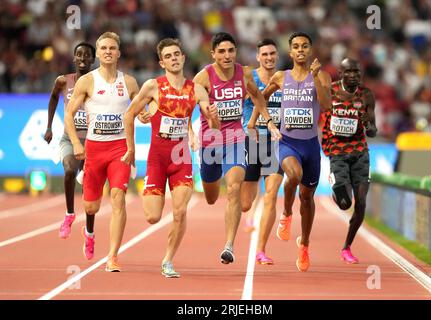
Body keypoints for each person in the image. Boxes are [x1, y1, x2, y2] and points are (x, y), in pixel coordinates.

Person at [122, 38, 219, 278]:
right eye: (169, 56)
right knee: (152, 217)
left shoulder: (196, 90)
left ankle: (168, 260)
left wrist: (213, 118)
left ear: (184, 57)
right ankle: (163, 241)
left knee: (179, 212)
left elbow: (213, 125)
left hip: (182, 157)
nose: (174, 58)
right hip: (157, 157)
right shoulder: (153, 86)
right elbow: (128, 115)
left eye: (177, 54)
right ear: (161, 62)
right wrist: (131, 149)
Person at [193, 32, 281, 264]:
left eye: (230, 50)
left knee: (233, 189)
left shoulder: (244, 74)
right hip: (211, 143)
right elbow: (198, 99)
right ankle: (210, 183)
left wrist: (268, 120)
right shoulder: (203, 77)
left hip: (236, 139)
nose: (227, 55)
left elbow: (258, 97)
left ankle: (229, 246)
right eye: (221, 51)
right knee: (211, 197)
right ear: (213, 54)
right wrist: (206, 112)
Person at [64, 32, 139, 272]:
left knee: (118, 199)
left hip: (120, 149)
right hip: (94, 150)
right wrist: (76, 142)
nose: (108, 51)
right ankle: (89, 231)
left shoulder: (129, 82)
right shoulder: (87, 82)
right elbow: (68, 115)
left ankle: (113, 256)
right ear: (98, 53)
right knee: (91, 208)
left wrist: (147, 113)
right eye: (104, 47)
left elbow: (143, 105)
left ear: (119, 52)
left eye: (112, 48)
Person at [262, 32, 331, 272]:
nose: (300, 50)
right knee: (293, 175)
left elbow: (326, 105)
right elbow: (261, 100)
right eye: (295, 47)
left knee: (308, 198)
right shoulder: (281, 77)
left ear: (310, 50)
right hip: (287, 142)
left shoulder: (322, 76)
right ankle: (286, 213)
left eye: (304, 46)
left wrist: (315, 78)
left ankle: (304, 244)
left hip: (311, 144)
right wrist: (267, 122)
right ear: (290, 53)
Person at [321, 58, 377, 264]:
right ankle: (336, 184)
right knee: (344, 204)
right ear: (340, 73)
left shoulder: (367, 95)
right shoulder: (331, 91)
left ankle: (347, 247)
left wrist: (369, 126)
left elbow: (373, 129)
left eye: (356, 71)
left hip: (360, 152)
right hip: (337, 152)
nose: (353, 75)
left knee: (361, 203)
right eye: (348, 71)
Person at [44, 42, 95, 239]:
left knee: (89, 190)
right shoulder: (63, 81)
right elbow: (54, 98)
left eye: (87, 55)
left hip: (93, 141)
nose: (82, 58)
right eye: (79, 54)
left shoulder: (98, 82)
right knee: (69, 172)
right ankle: (69, 214)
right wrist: (49, 127)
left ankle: (89, 233)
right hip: (69, 138)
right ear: (74, 58)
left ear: (92, 59)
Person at [241, 38, 283, 265]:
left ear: (276, 56)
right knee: (245, 203)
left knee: (271, 195)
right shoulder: (249, 78)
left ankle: (261, 250)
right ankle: (247, 214)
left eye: (272, 53)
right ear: (258, 57)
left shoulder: (284, 79)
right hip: (251, 140)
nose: (269, 57)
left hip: (276, 144)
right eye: (264, 54)